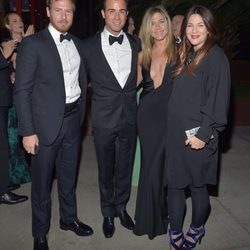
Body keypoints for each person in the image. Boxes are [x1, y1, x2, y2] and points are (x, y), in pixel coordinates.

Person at [14, 0, 93, 249]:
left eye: (68, 10)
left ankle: (68, 219)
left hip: (73, 122)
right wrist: (28, 131)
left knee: (68, 177)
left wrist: (81, 118)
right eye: (58, 10)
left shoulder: (78, 44)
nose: (63, 15)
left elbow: (81, 82)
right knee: (42, 184)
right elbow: (22, 91)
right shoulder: (32, 44)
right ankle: (40, 232)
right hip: (44, 127)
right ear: (48, 12)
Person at [166, 5, 231, 249]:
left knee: (197, 186)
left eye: (199, 25)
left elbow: (218, 100)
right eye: (190, 25)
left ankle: (196, 228)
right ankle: (174, 231)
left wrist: (203, 135)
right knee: (174, 185)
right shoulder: (190, 53)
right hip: (175, 136)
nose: (194, 30)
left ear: (209, 28)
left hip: (197, 138)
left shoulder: (216, 57)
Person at [82, 0, 140, 239]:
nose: (117, 16)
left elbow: (142, 76)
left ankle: (121, 208)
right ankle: (107, 212)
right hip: (103, 119)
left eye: (122, 11)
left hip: (129, 117)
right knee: (106, 169)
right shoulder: (87, 46)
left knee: (125, 167)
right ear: (104, 13)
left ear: (127, 15)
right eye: (112, 10)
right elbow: (78, 83)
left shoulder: (137, 43)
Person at [133, 5, 176, 240]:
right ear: (147, 29)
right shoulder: (142, 55)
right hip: (147, 116)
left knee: (165, 168)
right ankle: (152, 219)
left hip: (170, 117)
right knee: (150, 167)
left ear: (168, 24)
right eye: (153, 23)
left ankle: (163, 212)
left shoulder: (179, 52)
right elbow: (131, 84)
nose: (158, 27)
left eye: (162, 22)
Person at [4, 12, 34, 187]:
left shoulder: (32, 40)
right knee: (15, 136)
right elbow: (19, 65)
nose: (20, 23)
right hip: (15, 96)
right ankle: (16, 175)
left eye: (21, 20)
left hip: (34, 94)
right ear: (7, 26)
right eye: (14, 21)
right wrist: (26, 42)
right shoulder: (8, 45)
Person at [0, 40, 28, 205]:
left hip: (4, 99)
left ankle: (3, 184)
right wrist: (4, 57)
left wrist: (10, 71)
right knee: (2, 146)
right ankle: (2, 192)